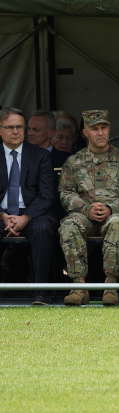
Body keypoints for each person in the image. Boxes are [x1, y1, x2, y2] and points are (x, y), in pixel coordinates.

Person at [58, 110, 119, 306]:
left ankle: (111, 285)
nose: (101, 133)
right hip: (84, 214)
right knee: (69, 225)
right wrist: (86, 209)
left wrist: (111, 208)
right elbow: (65, 193)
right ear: (85, 132)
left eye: (104, 128)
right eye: (95, 129)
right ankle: (79, 286)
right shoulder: (73, 162)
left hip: (115, 213)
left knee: (118, 224)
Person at [0, 108, 58, 305]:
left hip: (33, 214)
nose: (16, 131)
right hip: (2, 214)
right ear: (0, 130)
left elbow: (47, 195)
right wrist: (2, 215)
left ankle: (40, 293)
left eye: (19, 127)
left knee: (43, 228)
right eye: (10, 127)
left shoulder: (40, 156)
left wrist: (25, 217)